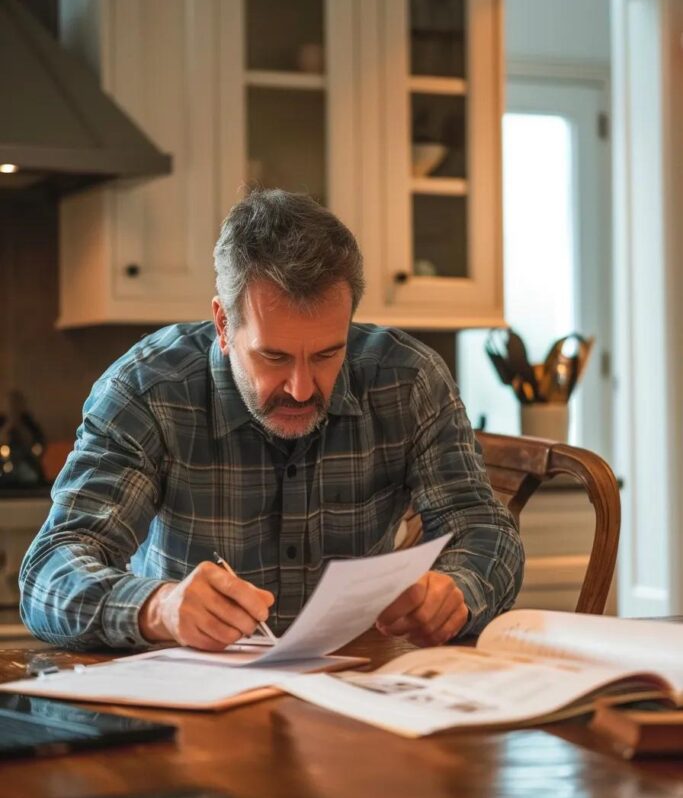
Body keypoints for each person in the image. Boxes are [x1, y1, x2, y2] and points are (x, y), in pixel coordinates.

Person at [20, 189, 524, 651]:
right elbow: (52, 568)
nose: (303, 389)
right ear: (222, 324)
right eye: (275, 357)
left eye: (328, 354)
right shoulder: (148, 390)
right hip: (192, 695)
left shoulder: (408, 380)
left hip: (357, 689)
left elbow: (483, 530)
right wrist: (160, 608)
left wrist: (458, 588)